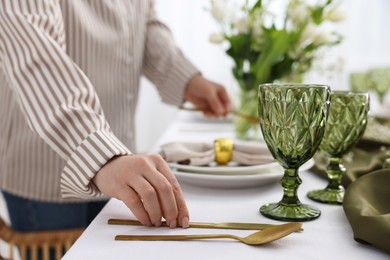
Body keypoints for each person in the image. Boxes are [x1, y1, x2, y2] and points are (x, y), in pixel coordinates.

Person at [0, 0, 231, 240]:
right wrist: (101, 154)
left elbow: (143, 20)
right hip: (47, 164)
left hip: (117, 163)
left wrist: (185, 78)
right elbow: (36, 57)